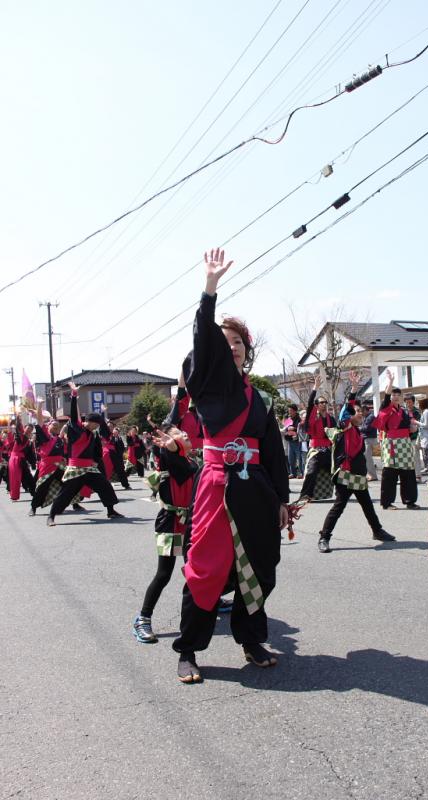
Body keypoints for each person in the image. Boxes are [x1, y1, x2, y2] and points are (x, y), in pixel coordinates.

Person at [171, 247, 289, 684]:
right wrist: (209, 289)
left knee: (259, 567)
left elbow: (274, 452)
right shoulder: (208, 386)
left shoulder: (260, 398)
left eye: (238, 341)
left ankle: (252, 639)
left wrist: (281, 499)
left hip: (256, 488)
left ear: (248, 350)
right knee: (205, 568)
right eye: (224, 343)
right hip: (216, 486)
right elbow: (204, 339)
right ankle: (188, 649)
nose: (231, 347)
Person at [133, 409, 197, 644]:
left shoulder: (192, 461)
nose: (185, 435)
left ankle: (212, 600)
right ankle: (143, 618)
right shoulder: (170, 458)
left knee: (200, 567)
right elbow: (169, 452)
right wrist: (169, 446)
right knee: (164, 574)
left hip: (191, 523)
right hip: (170, 523)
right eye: (179, 434)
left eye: (184, 432)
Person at [317, 373, 395, 553]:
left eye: (362, 412)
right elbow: (347, 409)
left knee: (367, 504)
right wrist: (353, 389)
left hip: (358, 476)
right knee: (339, 506)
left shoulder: (360, 431)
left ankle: (377, 531)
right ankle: (324, 538)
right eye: (358, 412)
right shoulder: (345, 426)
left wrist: (389, 389)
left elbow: (383, 409)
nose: (361, 414)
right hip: (346, 474)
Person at [46, 382, 124, 526]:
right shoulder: (77, 428)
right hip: (75, 468)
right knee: (66, 493)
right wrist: (74, 395)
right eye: (95, 424)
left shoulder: (92, 434)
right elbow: (75, 414)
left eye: (98, 425)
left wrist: (96, 460)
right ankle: (51, 516)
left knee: (105, 486)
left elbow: (96, 451)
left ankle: (111, 511)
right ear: (88, 421)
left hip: (89, 468)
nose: (96, 427)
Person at [375, 371, 419, 511]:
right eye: (393, 394)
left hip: (405, 443)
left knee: (408, 472)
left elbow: (410, 425)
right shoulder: (386, 408)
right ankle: (387, 503)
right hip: (392, 443)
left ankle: (410, 500)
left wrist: (412, 428)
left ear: (401, 398)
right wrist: (390, 382)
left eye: (397, 395)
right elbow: (387, 397)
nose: (394, 397)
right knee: (390, 473)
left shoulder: (405, 411)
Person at [299, 374, 336, 501]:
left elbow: (336, 433)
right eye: (321, 402)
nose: (324, 404)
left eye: (325, 402)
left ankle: (343, 493)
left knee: (336, 471)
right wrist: (315, 388)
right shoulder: (314, 418)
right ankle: (305, 495)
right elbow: (310, 405)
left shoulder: (331, 418)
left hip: (328, 450)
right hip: (316, 450)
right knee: (311, 472)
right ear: (317, 405)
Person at [99, 407, 131, 490]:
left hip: (114, 454)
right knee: (104, 470)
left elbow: (119, 448)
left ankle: (126, 485)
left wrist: (120, 455)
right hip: (105, 454)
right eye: (108, 426)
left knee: (120, 469)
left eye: (111, 426)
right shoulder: (104, 432)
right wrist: (102, 412)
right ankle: (102, 486)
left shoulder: (114, 436)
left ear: (113, 428)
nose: (110, 427)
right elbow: (102, 423)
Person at [8, 416, 35, 501]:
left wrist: (33, 463)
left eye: (31, 429)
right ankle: (14, 496)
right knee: (15, 479)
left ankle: (35, 493)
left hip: (22, 460)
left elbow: (30, 454)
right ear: (24, 427)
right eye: (28, 428)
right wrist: (18, 420)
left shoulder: (28, 440)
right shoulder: (21, 436)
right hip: (15, 459)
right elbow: (18, 429)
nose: (29, 430)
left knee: (29, 476)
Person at [404, 394, 422, 481]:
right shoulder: (403, 411)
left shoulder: (417, 412)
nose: (408, 404)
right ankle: (410, 476)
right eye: (406, 402)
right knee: (407, 458)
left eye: (410, 402)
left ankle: (418, 476)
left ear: (413, 402)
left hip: (415, 437)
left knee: (415, 456)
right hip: (405, 438)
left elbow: (417, 424)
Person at [283, 404, 303, 478]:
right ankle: (292, 473)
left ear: (295, 411)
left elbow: (301, 429)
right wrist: (287, 429)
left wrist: (294, 428)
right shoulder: (288, 419)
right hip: (290, 441)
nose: (289, 412)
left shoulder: (299, 419)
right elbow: (285, 428)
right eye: (289, 411)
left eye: (291, 411)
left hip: (297, 442)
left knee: (299, 458)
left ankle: (301, 473)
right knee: (290, 459)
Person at [360, 403, 378, 481]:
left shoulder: (371, 417)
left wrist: (359, 428)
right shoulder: (367, 417)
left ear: (366, 410)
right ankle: (370, 474)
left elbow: (367, 428)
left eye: (362, 411)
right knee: (366, 458)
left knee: (368, 458)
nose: (361, 413)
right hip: (367, 439)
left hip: (369, 439)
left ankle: (372, 475)